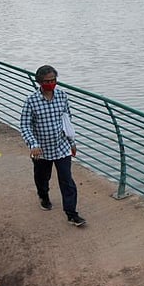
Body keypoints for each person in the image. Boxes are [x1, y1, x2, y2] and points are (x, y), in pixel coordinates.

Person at [19, 64, 86, 227]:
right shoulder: (31, 101)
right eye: (47, 81)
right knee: (42, 177)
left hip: (61, 147)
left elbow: (67, 120)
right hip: (41, 150)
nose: (51, 83)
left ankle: (72, 214)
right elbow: (25, 125)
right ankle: (44, 195)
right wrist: (33, 144)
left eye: (53, 80)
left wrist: (72, 142)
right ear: (40, 82)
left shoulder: (62, 96)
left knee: (67, 180)